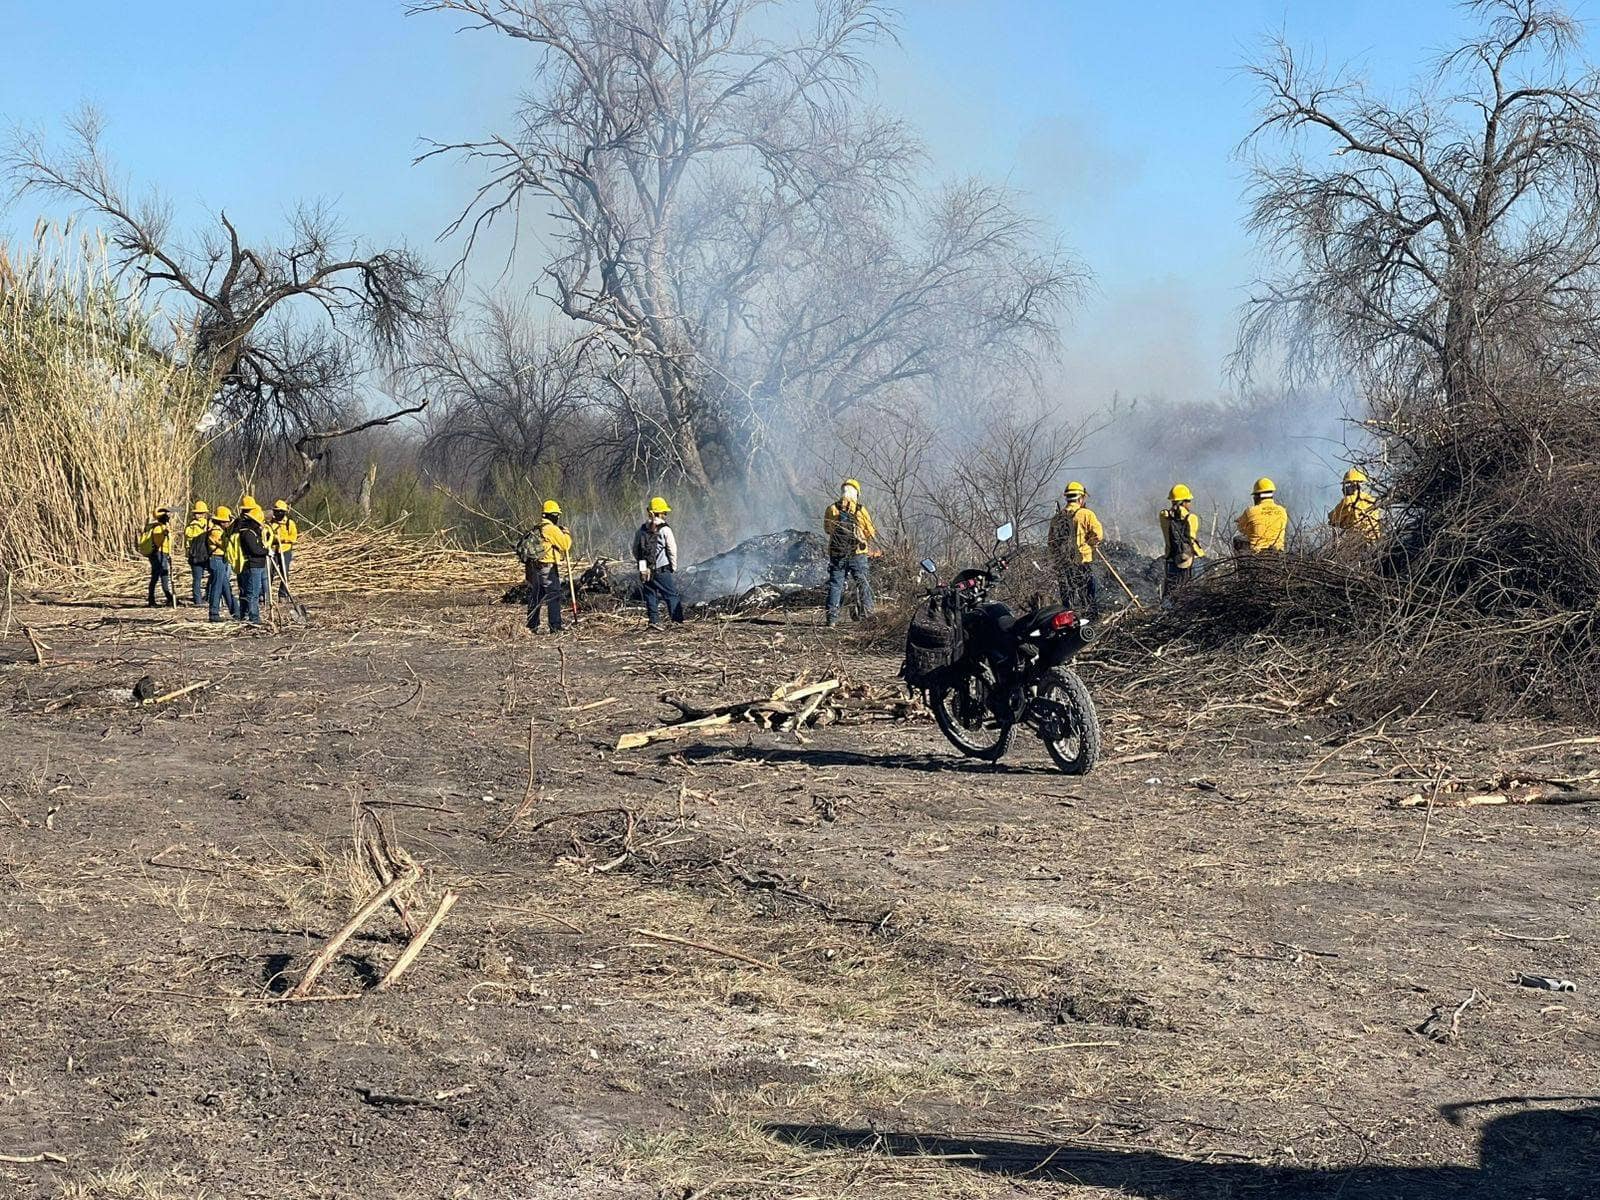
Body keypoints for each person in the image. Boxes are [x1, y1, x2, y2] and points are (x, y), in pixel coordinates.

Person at [823, 479, 877, 627]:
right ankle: (868, 616)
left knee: (836, 585)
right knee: (863, 584)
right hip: (857, 554)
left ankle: (832, 619)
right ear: (856, 494)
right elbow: (870, 531)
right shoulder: (860, 510)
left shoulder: (832, 509)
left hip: (837, 554)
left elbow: (827, 529)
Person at [1047, 481, 1104, 617]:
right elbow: (1098, 535)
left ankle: (1069, 621)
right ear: (1080, 498)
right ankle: (1090, 619)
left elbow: (1051, 543)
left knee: (1067, 599)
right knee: (1088, 596)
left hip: (1063, 565)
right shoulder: (1086, 514)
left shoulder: (1057, 518)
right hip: (1082, 563)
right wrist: (1090, 541)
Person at [521, 499, 573, 633]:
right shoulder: (551, 529)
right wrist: (566, 533)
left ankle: (532, 625)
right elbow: (565, 545)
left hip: (535, 568)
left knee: (536, 596)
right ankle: (555, 626)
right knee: (554, 595)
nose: (558, 518)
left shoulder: (538, 527)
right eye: (557, 515)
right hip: (547, 567)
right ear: (553, 515)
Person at [633, 496, 684, 629]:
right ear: (659, 513)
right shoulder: (665, 529)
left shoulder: (641, 530)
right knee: (671, 595)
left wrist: (641, 565)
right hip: (661, 569)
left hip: (645, 570)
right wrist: (673, 566)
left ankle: (654, 622)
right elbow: (672, 550)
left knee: (650, 595)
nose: (666, 514)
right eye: (664, 512)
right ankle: (677, 622)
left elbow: (635, 550)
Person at [1158, 484, 1206, 601]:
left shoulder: (1164, 516)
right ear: (1183, 502)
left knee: (1170, 595)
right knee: (1197, 596)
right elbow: (1191, 537)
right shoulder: (1192, 518)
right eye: (1188, 501)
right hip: (1192, 560)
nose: (1190, 504)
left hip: (1172, 560)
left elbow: (1169, 515)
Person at [231, 499, 271, 625]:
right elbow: (255, 549)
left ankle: (245, 615)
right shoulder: (247, 532)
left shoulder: (249, 530)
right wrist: (266, 551)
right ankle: (253, 617)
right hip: (252, 565)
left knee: (250, 591)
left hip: (255, 564)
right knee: (252, 593)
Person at [1234, 477, 1289, 554]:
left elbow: (1241, 529)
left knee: (1237, 539)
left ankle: (1240, 561)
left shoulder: (1251, 511)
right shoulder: (1282, 511)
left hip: (1256, 553)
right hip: (1278, 553)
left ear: (1257, 496)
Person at [1328, 467, 1381, 544]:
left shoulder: (1349, 500)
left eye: (1347, 484)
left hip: (1358, 542)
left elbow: (1333, 517)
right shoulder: (1371, 499)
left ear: (1354, 484)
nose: (1344, 488)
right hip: (1375, 541)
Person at [205, 505, 238, 623]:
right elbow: (225, 545)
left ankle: (236, 612)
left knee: (226, 588)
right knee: (217, 587)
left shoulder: (221, 531)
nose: (228, 523)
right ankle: (213, 613)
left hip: (222, 560)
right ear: (221, 521)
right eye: (227, 521)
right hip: (216, 560)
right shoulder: (215, 532)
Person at [138, 506, 175, 607]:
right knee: (158, 576)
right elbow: (159, 542)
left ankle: (168, 598)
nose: (169, 517)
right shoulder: (159, 528)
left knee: (162, 575)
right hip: (159, 554)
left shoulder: (161, 527)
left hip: (162, 553)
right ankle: (153, 600)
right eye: (166, 515)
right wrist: (164, 533)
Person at [268, 499, 300, 596]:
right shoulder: (271, 523)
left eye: (280, 511)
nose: (277, 513)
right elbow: (267, 536)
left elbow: (293, 537)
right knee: (270, 572)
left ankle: (282, 594)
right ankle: (266, 593)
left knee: (284, 573)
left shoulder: (289, 523)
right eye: (276, 511)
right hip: (273, 551)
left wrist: (282, 539)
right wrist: (273, 539)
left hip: (285, 550)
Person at [184, 502, 211, 605]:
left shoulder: (189, 527)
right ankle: (207, 597)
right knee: (213, 575)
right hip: (205, 555)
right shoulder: (207, 525)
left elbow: (187, 543)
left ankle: (198, 599)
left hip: (194, 556)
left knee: (197, 579)